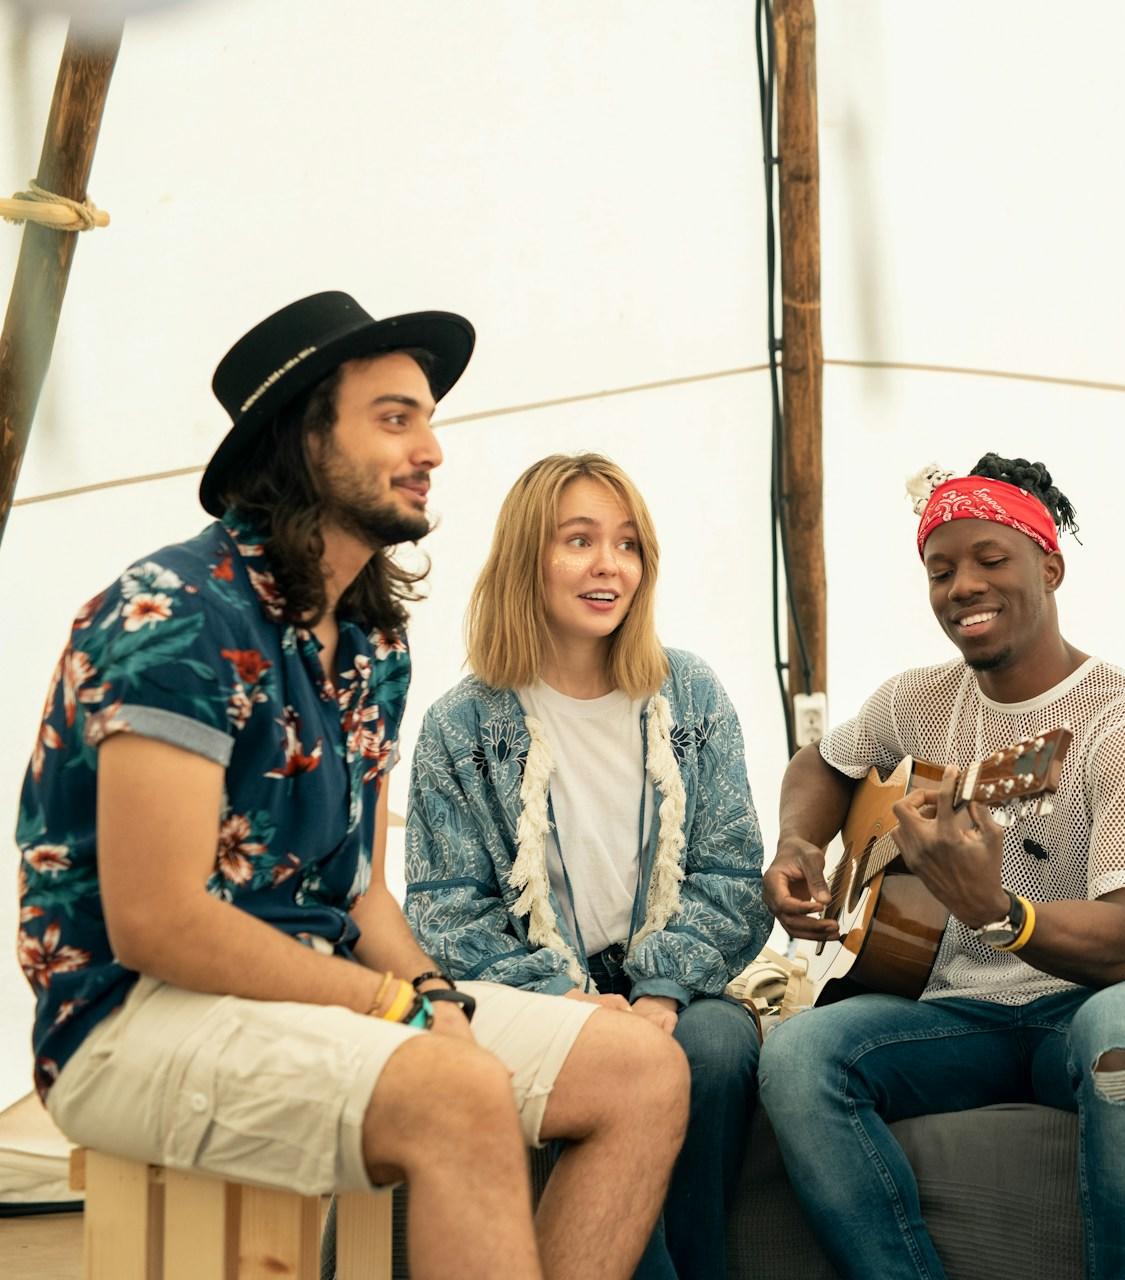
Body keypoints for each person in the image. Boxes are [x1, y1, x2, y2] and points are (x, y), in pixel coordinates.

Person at [15, 293, 686, 1280]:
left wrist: (429, 992)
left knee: (643, 1071)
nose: (432, 449)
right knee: (453, 1088)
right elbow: (158, 919)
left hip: (318, 992)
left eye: (428, 417)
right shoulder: (172, 613)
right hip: (130, 1014)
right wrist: (393, 1006)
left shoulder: (372, 642)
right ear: (301, 440)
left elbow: (360, 886)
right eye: (394, 417)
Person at [756, 454, 1125, 1280]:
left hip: (1099, 1004)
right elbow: (822, 765)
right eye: (940, 571)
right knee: (796, 1055)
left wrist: (1001, 911)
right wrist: (796, 847)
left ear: (1050, 566)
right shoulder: (914, 702)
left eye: (990, 561)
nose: (962, 585)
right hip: (960, 1015)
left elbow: (1123, 946)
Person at [406, 451, 770, 1280]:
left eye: (628, 544)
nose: (610, 566)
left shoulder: (692, 696)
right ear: (526, 558)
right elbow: (442, 904)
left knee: (713, 1050)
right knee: (621, 1070)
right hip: (540, 987)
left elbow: (731, 869)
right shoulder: (461, 726)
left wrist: (659, 990)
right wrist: (561, 998)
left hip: (675, 982)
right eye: (579, 541)